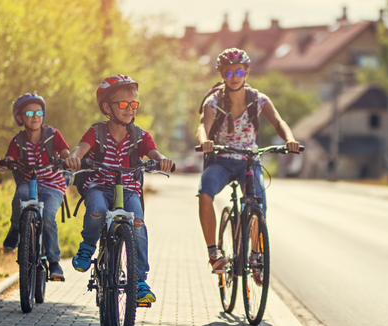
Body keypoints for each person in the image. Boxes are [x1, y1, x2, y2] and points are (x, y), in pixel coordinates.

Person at [65, 74, 173, 304]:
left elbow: (154, 152)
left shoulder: (140, 135)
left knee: (138, 224)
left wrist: (162, 159)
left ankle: (140, 280)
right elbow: (80, 148)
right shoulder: (96, 132)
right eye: (123, 104)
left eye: (133, 104)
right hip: (99, 186)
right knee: (96, 210)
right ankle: (87, 247)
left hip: (129, 190)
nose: (129, 109)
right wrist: (74, 157)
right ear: (107, 107)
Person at [197, 48, 300, 271]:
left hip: (249, 161)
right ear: (222, 75)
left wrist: (290, 139)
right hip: (221, 161)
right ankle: (214, 252)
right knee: (205, 195)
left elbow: (279, 122)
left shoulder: (259, 100)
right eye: (228, 73)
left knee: (258, 205)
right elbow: (203, 126)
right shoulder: (214, 101)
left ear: (247, 72)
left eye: (239, 72)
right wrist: (205, 141)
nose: (234, 77)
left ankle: (255, 256)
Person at [0, 93, 70, 281]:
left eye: (39, 112)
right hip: (28, 182)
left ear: (44, 115)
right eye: (30, 112)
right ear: (20, 118)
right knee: (19, 198)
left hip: (53, 185)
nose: (35, 116)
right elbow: (8, 162)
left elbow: (66, 153)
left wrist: (69, 160)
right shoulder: (17, 140)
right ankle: (16, 228)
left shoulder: (53, 135)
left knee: (49, 217)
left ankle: (54, 262)